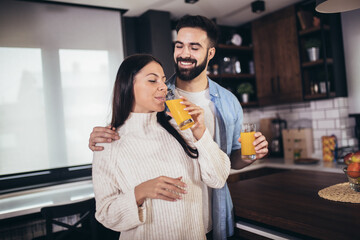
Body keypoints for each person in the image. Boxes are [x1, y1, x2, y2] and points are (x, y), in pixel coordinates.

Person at [89, 15, 268, 240]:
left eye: (194, 47)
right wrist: (101, 137)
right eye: (179, 45)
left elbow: (226, 165)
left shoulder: (227, 102)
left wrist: (251, 155)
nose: (184, 53)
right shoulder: (159, 103)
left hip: (211, 216)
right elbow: (128, 129)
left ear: (210, 53)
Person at [93, 54, 231, 240]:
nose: (163, 87)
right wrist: (141, 192)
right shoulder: (107, 142)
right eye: (152, 80)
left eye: (164, 81)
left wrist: (200, 132)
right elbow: (105, 214)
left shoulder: (181, 128)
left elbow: (218, 178)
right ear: (127, 85)